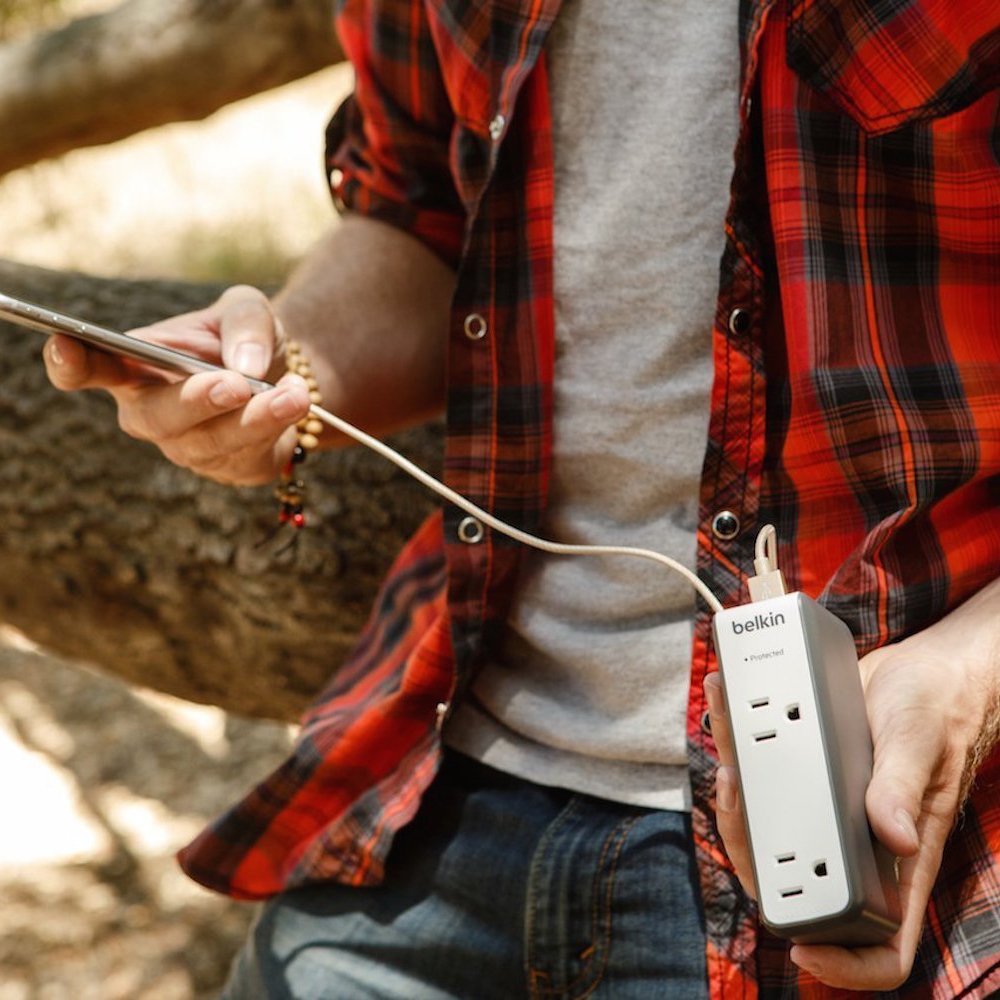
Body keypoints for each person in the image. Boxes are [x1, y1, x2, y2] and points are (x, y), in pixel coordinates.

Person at [44, 0, 1000, 996]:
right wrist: (285, 372)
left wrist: (974, 670)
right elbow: (420, 212)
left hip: (866, 835)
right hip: (451, 786)